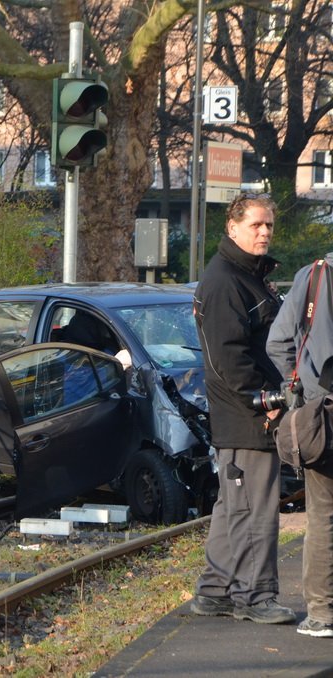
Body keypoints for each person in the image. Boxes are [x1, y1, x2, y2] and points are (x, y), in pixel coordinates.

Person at [189, 191, 295, 624]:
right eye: (256, 225)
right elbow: (227, 356)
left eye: (268, 224)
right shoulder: (225, 281)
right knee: (255, 507)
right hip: (247, 415)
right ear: (232, 228)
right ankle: (255, 597)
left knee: (235, 505)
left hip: (245, 414)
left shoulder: (245, 276)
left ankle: (215, 591)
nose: (265, 232)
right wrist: (263, 400)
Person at [267, 252, 333, 637]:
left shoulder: (313, 277)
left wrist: (309, 392)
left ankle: (323, 612)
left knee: (323, 515)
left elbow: (278, 343)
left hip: (323, 413)